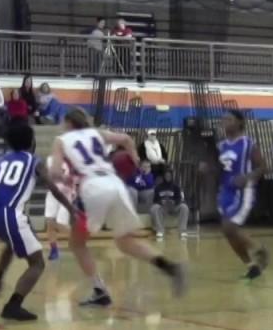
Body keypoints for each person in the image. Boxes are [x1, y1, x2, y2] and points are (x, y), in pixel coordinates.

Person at [49, 108, 187, 306]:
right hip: (115, 184)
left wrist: (67, 177)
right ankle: (170, 267)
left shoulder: (61, 140)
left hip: (93, 188)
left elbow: (54, 172)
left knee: (77, 244)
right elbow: (127, 140)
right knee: (125, 242)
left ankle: (99, 290)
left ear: (69, 123)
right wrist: (136, 160)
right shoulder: (97, 133)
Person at [0, 122, 75, 321]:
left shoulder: (0, 160)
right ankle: (13, 305)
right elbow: (54, 189)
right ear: (31, 141)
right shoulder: (34, 161)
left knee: (10, 244)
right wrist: (71, 208)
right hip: (10, 214)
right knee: (37, 263)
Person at [212, 110, 269, 280]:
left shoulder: (248, 144)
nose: (225, 122)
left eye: (229, 119)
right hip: (225, 191)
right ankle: (251, 266)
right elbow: (219, 170)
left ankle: (259, 249)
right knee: (228, 232)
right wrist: (208, 170)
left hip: (242, 191)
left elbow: (263, 167)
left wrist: (248, 177)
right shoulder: (221, 146)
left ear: (239, 123)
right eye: (223, 119)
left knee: (229, 227)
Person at [43, 154, 77, 261]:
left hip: (66, 194)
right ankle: (54, 250)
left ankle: (79, 240)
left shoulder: (73, 160)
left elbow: (75, 178)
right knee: (50, 223)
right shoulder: (50, 159)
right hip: (53, 193)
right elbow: (49, 176)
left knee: (61, 224)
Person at [150, 168, 190, 238]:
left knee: (184, 207)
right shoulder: (158, 187)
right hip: (162, 207)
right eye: (166, 175)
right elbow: (155, 200)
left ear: (171, 176)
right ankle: (160, 230)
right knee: (154, 208)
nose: (167, 177)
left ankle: (182, 231)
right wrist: (161, 202)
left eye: (169, 175)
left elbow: (179, 199)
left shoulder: (176, 187)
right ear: (163, 176)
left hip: (173, 207)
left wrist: (174, 202)